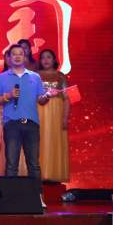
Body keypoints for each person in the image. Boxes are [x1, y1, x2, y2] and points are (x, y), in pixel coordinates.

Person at [0, 44, 52, 207]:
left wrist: (47, 96)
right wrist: (8, 95)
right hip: (12, 124)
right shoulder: (2, 77)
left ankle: (37, 197)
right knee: (11, 163)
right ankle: (10, 198)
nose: (18, 56)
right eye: (14, 54)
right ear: (9, 58)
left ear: (25, 57)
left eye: (21, 53)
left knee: (34, 164)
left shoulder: (35, 77)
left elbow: (41, 99)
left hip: (31, 124)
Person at [37, 49, 70, 183]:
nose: (46, 60)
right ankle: (39, 173)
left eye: (49, 57)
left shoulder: (61, 76)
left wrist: (65, 117)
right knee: (40, 140)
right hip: (40, 110)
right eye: (43, 58)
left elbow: (67, 98)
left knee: (55, 140)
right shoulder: (35, 76)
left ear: (54, 60)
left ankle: (54, 174)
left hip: (56, 112)